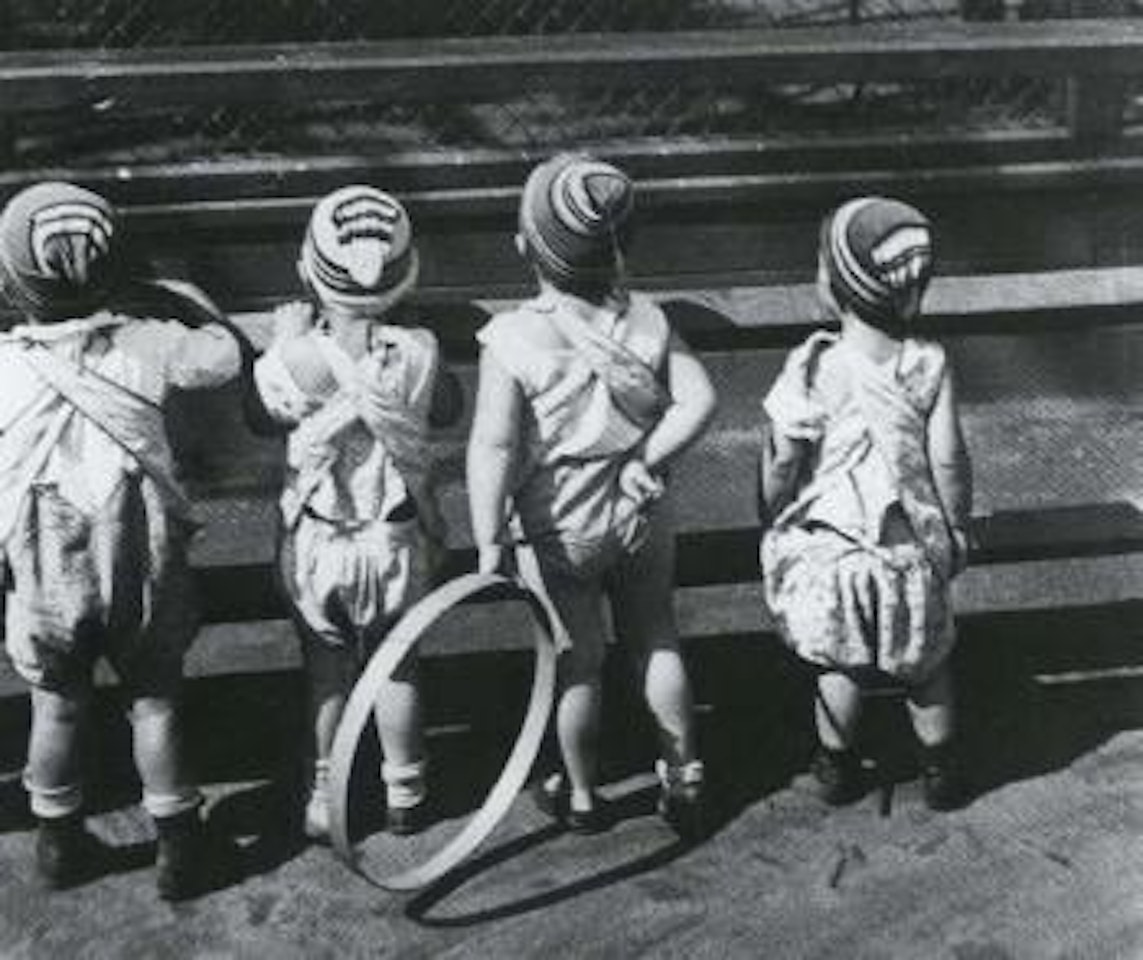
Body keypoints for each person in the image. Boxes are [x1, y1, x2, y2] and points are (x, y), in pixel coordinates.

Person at [0, 182, 244, 898]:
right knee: (155, 701)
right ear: (115, 272)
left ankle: (58, 840)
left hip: (47, 555)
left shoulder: (4, 366)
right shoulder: (154, 343)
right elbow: (223, 355)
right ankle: (176, 846)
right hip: (140, 547)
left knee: (58, 703)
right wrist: (183, 295)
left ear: (12, 282)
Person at [467, 153, 717, 836]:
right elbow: (698, 401)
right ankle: (683, 776)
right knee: (655, 636)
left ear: (524, 247)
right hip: (641, 508)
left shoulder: (512, 339)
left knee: (577, 663)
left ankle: (579, 796)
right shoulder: (647, 320)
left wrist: (489, 534)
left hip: (558, 526)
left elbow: (491, 446)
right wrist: (647, 455)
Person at [254, 185, 459, 842]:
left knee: (327, 670)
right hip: (396, 538)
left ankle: (327, 792)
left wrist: (282, 342)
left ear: (306, 269)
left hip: (321, 543)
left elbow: (257, 416)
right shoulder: (421, 352)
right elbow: (448, 407)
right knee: (397, 664)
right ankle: (406, 791)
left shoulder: (292, 362)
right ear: (406, 276)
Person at [759, 196, 973, 810]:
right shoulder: (928, 363)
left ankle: (837, 764)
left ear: (833, 284)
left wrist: (774, 512)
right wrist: (955, 526)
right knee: (927, 664)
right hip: (908, 550)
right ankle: (940, 767)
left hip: (835, 552)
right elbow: (949, 460)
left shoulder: (812, 365)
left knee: (843, 662)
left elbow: (781, 462)